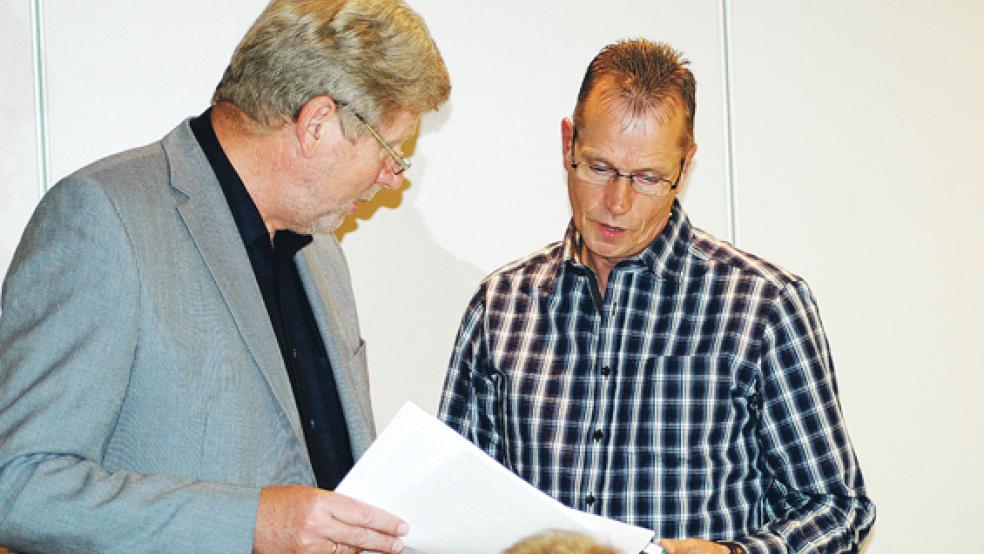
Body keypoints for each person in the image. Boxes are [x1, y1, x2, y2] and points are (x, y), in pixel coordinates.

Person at [0, 0, 449, 552]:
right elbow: (18, 484)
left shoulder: (323, 252)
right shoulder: (104, 217)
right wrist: (250, 523)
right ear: (317, 124)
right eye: (391, 150)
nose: (391, 178)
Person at [439, 39, 873, 553]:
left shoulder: (763, 307)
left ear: (684, 168)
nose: (616, 203)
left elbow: (838, 507)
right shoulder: (502, 305)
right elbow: (454, 503)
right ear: (567, 143)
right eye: (598, 167)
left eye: (647, 177)